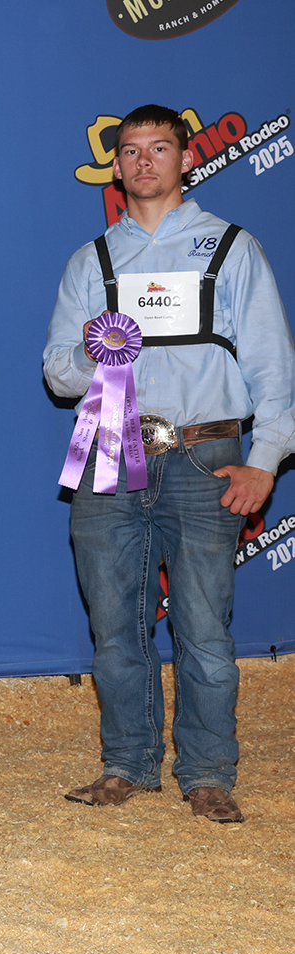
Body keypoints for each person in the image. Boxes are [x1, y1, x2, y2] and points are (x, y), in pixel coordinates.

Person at [43, 104, 295, 823]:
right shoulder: (90, 261)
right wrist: (98, 347)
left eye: (160, 148)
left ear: (187, 160)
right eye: (130, 151)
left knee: (205, 628)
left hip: (207, 453)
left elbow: (275, 369)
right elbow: (58, 374)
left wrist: (266, 461)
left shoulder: (231, 248)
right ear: (115, 168)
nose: (144, 161)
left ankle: (209, 771)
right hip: (112, 446)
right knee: (115, 626)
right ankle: (127, 763)